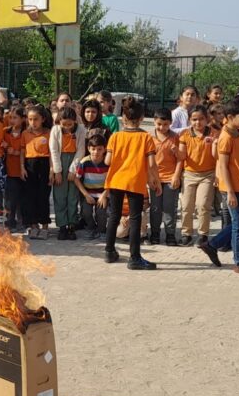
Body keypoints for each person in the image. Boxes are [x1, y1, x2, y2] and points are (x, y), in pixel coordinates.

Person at [198, 98, 239, 277]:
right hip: (231, 188)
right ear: (229, 117)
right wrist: (230, 193)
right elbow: (223, 166)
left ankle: (211, 245)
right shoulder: (225, 137)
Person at [102, 97, 160, 270]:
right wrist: (155, 180)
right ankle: (134, 257)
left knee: (114, 216)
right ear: (142, 118)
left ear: (123, 118)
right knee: (135, 218)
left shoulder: (115, 137)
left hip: (116, 180)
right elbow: (151, 163)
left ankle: (109, 251)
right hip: (135, 181)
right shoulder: (146, 137)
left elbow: (107, 161)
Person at [178, 105, 216, 247]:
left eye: (201, 119)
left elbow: (217, 156)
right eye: (194, 119)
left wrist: (214, 144)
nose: (197, 123)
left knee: (203, 204)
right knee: (187, 205)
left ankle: (203, 234)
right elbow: (182, 156)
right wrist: (176, 151)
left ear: (207, 119)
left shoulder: (213, 134)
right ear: (189, 120)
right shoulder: (185, 134)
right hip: (189, 174)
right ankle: (186, 233)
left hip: (208, 174)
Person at [149, 108, 183, 245]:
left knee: (169, 207)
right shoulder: (149, 137)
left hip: (170, 178)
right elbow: (146, 160)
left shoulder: (175, 137)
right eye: (158, 124)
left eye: (165, 124)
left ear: (170, 123)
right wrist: (150, 178)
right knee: (155, 207)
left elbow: (181, 159)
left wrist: (176, 176)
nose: (162, 127)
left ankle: (170, 234)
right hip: (155, 178)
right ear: (154, 122)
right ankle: (155, 233)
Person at [50, 105, 84, 240]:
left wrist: (73, 169)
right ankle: (62, 226)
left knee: (73, 196)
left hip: (74, 161)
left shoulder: (81, 130)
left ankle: (72, 225)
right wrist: (57, 171)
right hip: (60, 161)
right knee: (59, 196)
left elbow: (81, 150)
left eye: (70, 124)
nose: (67, 127)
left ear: (75, 121)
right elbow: (54, 151)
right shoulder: (55, 130)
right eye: (64, 124)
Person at [20, 104, 52, 239]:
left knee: (43, 197)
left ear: (43, 119)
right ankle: (33, 226)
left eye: (36, 119)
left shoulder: (49, 133)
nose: (33, 122)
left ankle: (45, 226)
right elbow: (22, 151)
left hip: (44, 165)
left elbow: (51, 153)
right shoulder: (25, 134)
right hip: (29, 166)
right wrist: (21, 167)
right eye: (30, 119)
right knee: (30, 197)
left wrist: (51, 170)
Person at [71, 133, 110, 240]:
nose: (96, 152)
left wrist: (104, 195)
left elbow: (111, 181)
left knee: (101, 213)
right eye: (93, 149)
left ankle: (102, 230)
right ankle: (91, 228)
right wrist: (86, 194)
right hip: (88, 193)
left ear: (104, 149)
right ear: (88, 148)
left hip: (103, 193)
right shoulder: (84, 162)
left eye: (99, 149)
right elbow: (76, 179)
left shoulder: (108, 163)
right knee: (86, 212)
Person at [0, 106, 26, 231]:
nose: (12, 120)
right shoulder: (5, 132)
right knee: (10, 199)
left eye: (15, 118)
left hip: (23, 170)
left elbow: (26, 150)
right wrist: (5, 147)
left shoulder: (26, 133)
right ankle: (10, 222)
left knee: (22, 198)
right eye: (10, 117)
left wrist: (14, 151)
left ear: (22, 119)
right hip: (9, 171)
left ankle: (22, 221)